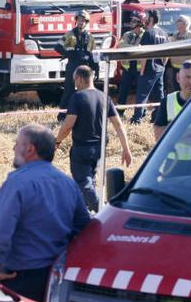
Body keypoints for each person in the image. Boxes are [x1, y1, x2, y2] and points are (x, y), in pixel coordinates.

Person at [0, 124, 91, 302]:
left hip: (19, 277)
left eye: (17, 143)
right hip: (56, 277)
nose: (13, 148)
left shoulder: (17, 182)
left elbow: (0, 229)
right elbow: (84, 227)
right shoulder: (68, 183)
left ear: (30, 149)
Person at [55, 65, 133, 212]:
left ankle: (104, 213)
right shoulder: (105, 97)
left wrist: (57, 140)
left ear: (79, 78)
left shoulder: (77, 97)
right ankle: (85, 216)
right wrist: (126, 149)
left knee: (84, 184)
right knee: (90, 182)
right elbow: (118, 124)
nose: (75, 84)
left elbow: (67, 125)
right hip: (100, 149)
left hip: (82, 149)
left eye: (74, 81)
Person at [56, 10, 96, 121]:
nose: (81, 22)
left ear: (86, 22)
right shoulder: (70, 34)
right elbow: (57, 47)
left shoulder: (90, 37)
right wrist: (69, 54)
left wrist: (95, 68)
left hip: (85, 67)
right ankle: (62, 116)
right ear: (76, 21)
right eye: (79, 20)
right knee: (68, 91)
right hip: (73, 65)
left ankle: (82, 116)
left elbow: (93, 53)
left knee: (84, 91)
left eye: (83, 20)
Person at [131, 10, 167, 124]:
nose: (144, 18)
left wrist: (142, 70)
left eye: (146, 16)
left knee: (142, 95)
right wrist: (163, 66)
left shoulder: (148, 33)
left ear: (151, 18)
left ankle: (137, 119)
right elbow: (168, 53)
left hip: (149, 70)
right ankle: (159, 117)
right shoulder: (163, 33)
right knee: (159, 95)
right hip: (160, 70)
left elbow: (145, 54)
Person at [152, 60, 191, 141]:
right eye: (188, 77)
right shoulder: (168, 101)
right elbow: (158, 135)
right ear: (178, 78)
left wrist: (173, 130)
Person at [116, 12, 146, 115]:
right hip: (128, 69)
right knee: (123, 91)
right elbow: (120, 46)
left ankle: (141, 113)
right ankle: (119, 112)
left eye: (134, 21)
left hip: (140, 70)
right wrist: (134, 48)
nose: (131, 23)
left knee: (141, 93)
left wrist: (129, 47)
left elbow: (141, 49)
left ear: (141, 23)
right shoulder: (127, 34)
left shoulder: (146, 35)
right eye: (131, 20)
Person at [166, 15, 191, 93]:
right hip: (174, 68)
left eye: (179, 21)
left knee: (186, 89)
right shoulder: (175, 36)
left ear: (185, 24)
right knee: (176, 89)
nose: (177, 23)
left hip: (186, 69)